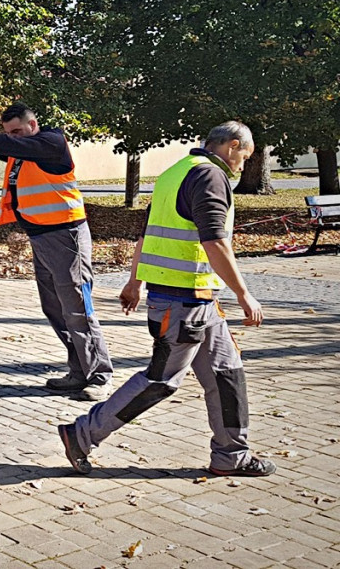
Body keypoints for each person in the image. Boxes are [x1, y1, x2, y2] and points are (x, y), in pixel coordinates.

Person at [58, 121, 276, 478]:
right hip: (184, 304)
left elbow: (148, 233)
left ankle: (231, 455)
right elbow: (215, 242)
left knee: (227, 374)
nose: (242, 166)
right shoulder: (210, 176)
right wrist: (244, 293)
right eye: (244, 157)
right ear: (233, 146)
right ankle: (80, 435)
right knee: (161, 380)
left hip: (198, 302)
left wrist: (134, 281)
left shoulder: (174, 173)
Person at [0, 101, 114, 400]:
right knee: (55, 308)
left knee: (77, 308)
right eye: (9, 133)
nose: (13, 138)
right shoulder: (22, 151)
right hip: (42, 237)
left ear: (33, 125)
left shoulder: (51, 143)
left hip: (66, 236)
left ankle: (99, 375)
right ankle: (79, 370)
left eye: (17, 131)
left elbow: (2, 143)